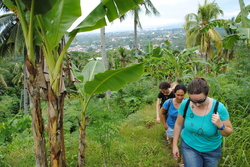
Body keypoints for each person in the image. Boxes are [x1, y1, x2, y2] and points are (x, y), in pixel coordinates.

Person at [172, 77, 233, 167]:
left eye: (201, 101)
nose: (197, 104)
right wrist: (174, 145)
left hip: (212, 150)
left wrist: (220, 125)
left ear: (207, 93)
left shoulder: (218, 108)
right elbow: (178, 124)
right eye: (193, 101)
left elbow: (228, 132)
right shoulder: (185, 104)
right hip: (189, 146)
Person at [160, 84, 186, 166]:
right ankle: (175, 154)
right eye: (178, 95)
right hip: (171, 126)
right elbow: (162, 113)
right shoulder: (169, 102)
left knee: (184, 144)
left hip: (184, 127)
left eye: (182, 95)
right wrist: (164, 125)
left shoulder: (187, 103)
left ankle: (182, 161)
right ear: (174, 93)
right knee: (173, 141)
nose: (179, 97)